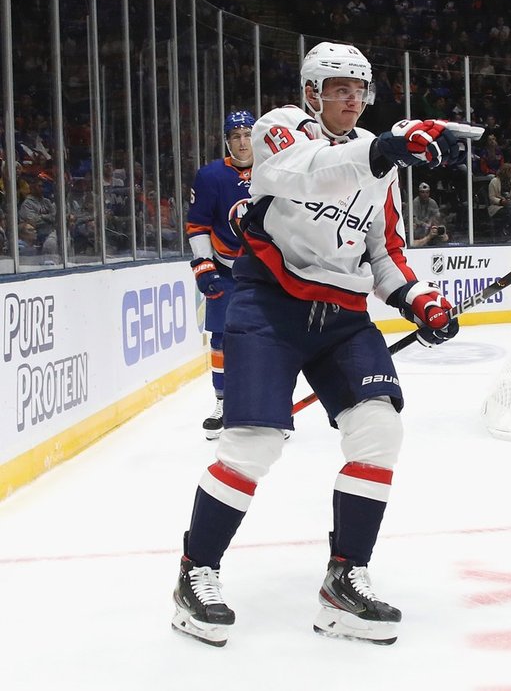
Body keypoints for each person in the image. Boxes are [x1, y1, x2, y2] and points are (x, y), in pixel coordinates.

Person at [171, 41, 482, 648]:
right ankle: (195, 571)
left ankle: (344, 582)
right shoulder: (280, 129)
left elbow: (384, 252)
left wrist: (420, 299)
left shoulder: (378, 165)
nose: (352, 98)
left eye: (359, 88)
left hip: (342, 318)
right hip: (268, 307)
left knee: (378, 431)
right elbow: (306, 169)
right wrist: (385, 147)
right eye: (339, 87)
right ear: (313, 92)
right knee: (251, 445)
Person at [186, 110, 256, 440]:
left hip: (268, 273)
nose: (242, 142)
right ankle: (223, 403)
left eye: (247, 134)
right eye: (235, 136)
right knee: (221, 339)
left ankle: (272, 405)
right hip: (227, 269)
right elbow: (198, 225)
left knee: (273, 340)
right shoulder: (211, 176)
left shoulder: (277, 171)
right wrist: (203, 265)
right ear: (227, 141)